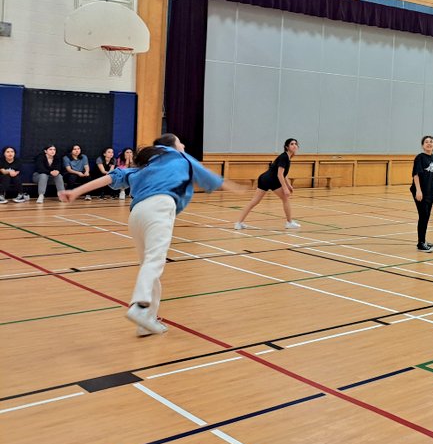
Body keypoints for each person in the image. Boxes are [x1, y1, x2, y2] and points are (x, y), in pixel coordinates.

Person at [59, 133, 245, 336]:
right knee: (154, 263)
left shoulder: (144, 167)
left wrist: (76, 192)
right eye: (180, 141)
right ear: (173, 145)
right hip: (160, 207)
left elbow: (111, 177)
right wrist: (236, 187)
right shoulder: (180, 156)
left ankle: (146, 322)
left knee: (149, 266)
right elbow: (211, 179)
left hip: (136, 214)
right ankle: (139, 307)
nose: (183, 144)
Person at [234, 138, 301, 230]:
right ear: (287, 147)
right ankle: (289, 223)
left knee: (254, 201)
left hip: (264, 178)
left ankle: (239, 223)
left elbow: (284, 174)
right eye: (292, 144)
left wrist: (289, 185)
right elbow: (280, 174)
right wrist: (285, 189)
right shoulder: (284, 157)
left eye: (295, 144)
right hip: (271, 180)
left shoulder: (287, 157)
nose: (294, 146)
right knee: (285, 198)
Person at [411, 135, 433, 252]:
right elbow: (416, 174)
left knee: (426, 216)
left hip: (430, 192)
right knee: (423, 216)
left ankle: (423, 241)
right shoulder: (420, 158)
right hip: (421, 192)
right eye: (426, 142)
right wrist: (418, 190)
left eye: (431, 142)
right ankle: (420, 244)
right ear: (422, 145)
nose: (429, 143)